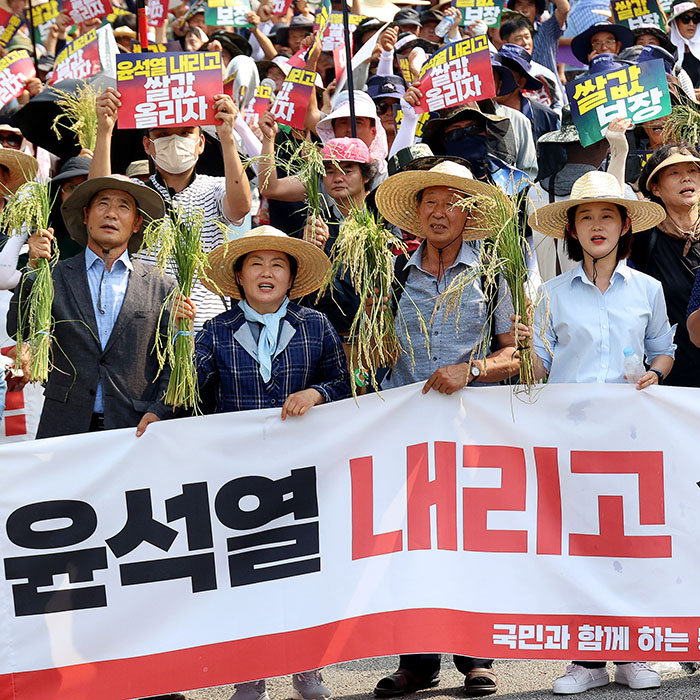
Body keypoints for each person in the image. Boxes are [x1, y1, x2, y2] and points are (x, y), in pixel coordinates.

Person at [371, 160, 521, 698]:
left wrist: (472, 369)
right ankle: (416, 661)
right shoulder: (389, 274)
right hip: (407, 430)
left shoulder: (492, 272)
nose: (438, 212)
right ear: (414, 214)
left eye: (450, 202)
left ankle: (476, 655)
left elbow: (519, 353)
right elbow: (373, 352)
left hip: (472, 429)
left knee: (470, 539)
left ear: (469, 213)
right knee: (411, 540)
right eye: (428, 202)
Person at [522, 169, 674, 694]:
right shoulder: (552, 295)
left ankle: (633, 652)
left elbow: (664, 347)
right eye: (586, 216)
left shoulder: (649, 289)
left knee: (628, 545)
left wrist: (657, 371)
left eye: (607, 215)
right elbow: (540, 367)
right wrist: (523, 352)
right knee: (579, 546)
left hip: (632, 438)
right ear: (572, 229)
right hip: (570, 440)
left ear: (624, 224)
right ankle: (584, 662)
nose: (597, 225)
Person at [195, 225, 350, 700]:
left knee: (304, 569)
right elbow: (193, 394)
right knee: (247, 573)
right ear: (238, 277)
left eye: (277, 264)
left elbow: (342, 385)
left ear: (291, 277)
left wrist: (316, 392)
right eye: (255, 264)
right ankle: (251, 674)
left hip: (303, 471)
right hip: (236, 476)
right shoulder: (214, 331)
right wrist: (179, 339)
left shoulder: (315, 325)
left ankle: (307, 668)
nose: (266, 272)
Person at [6, 175, 188, 438]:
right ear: (85, 215)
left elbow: (174, 360)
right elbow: (19, 328)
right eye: (102, 204)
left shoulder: (162, 287)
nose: (111, 214)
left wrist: (160, 410)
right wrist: (33, 269)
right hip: (65, 425)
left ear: (137, 223)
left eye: (123, 206)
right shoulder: (56, 276)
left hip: (136, 429)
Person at [89, 86, 252, 329]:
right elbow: (99, 198)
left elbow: (241, 206)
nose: (175, 141)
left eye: (186, 132)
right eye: (163, 134)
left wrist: (227, 136)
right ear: (147, 145)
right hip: (146, 332)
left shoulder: (216, 188)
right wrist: (104, 131)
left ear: (201, 144)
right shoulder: (134, 193)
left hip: (206, 332)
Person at [633, 144, 700, 387]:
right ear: (656, 188)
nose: (686, 177)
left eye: (693, 170)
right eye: (674, 173)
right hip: (667, 377)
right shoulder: (643, 239)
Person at [667, 0, 700, 90]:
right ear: (675, 22)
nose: (691, 24)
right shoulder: (665, 50)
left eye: (696, 18)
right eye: (686, 19)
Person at [570, 21, 635, 66]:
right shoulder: (583, 80)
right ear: (591, 50)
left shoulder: (632, 69)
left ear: (618, 46)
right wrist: (593, 67)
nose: (604, 48)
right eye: (597, 43)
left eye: (608, 42)